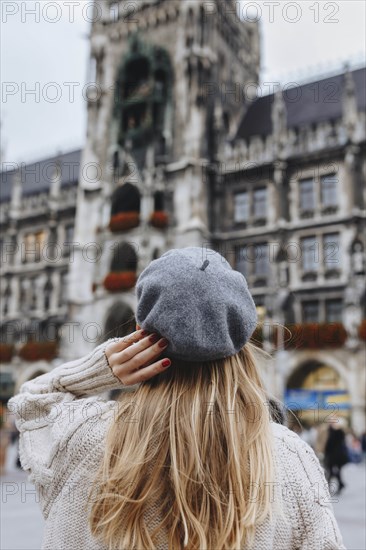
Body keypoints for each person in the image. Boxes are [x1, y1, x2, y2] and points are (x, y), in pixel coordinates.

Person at [8, 247, 346, 549]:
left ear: (141, 339)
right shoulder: (286, 457)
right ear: (240, 343)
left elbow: (31, 404)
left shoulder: (85, 436)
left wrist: (102, 367)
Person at [324, 418, 349, 495]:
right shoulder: (331, 431)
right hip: (334, 456)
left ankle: (332, 486)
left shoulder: (337, 432)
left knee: (332, 471)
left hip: (335, 456)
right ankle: (340, 484)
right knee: (333, 472)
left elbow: (330, 445)